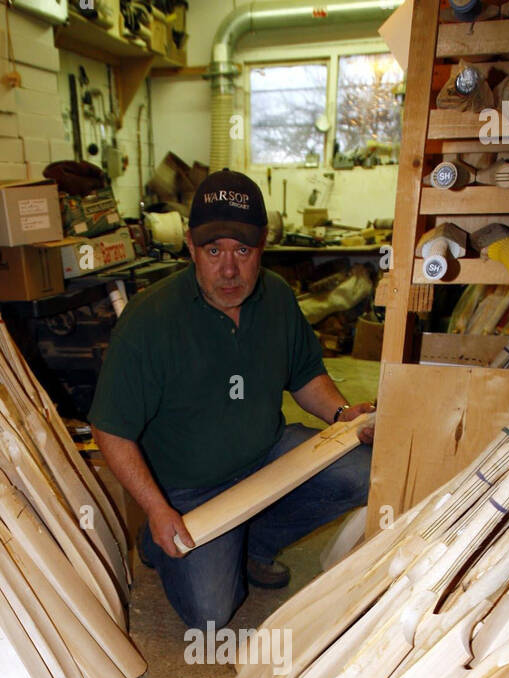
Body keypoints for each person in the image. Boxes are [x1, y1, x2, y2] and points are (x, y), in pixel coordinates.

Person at [89, 168, 374, 629]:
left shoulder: (277, 298)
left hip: (266, 457)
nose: (228, 269)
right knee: (210, 615)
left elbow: (305, 375)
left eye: (242, 250)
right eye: (213, 250)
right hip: (187, 491)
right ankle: (155, 540)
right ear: (190, 246)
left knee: (361, 471)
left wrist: (342, 414)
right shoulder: (150, 321)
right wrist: (159, 509)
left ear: (262, 244)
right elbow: (110, 430)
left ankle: (253, 543)